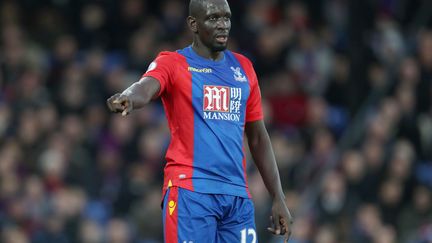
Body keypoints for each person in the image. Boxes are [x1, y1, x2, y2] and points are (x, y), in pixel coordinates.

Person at [106, 0, 293, 242]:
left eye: (226, 17)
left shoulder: (244, 68)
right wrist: (128, 98)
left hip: (236, 196)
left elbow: (257, 136)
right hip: (191, 191)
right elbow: (145, 86)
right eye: (213, 18)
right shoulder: (173, 62)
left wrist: (278, 197)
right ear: (193, 24)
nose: (223, 24)